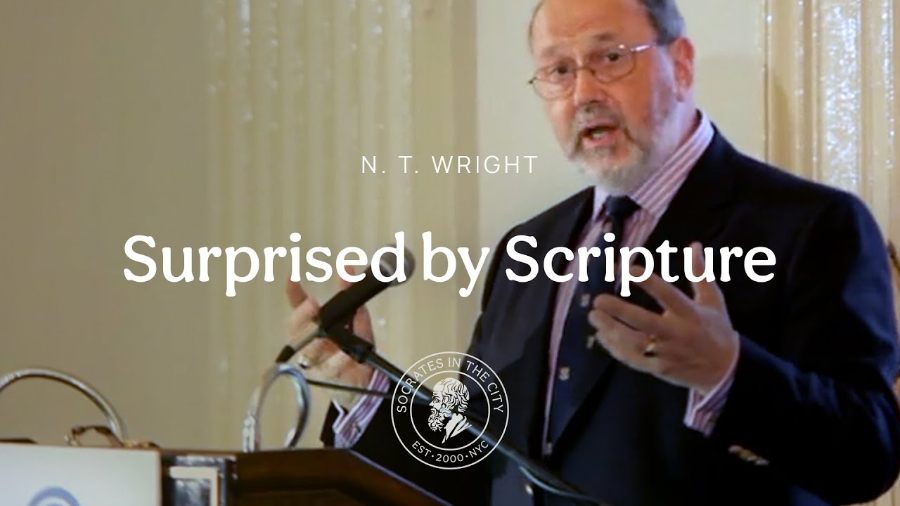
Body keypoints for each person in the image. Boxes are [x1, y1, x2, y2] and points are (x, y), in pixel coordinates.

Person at [286, 0, 900, 504]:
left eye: (610, 58)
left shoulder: (812, 225)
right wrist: (366, 384)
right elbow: (479, 462)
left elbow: (869, 455)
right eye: (558, 70)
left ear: (681, 64)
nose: (583, 92)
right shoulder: (526, 248)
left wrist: (727, 374)